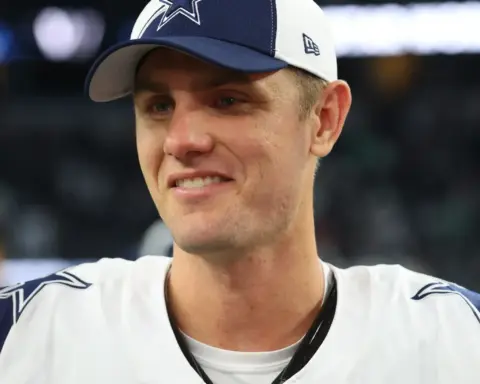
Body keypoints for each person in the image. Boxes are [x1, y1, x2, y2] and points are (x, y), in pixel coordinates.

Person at [0, 0, 479, 382]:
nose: (181, 140)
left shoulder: (455, 340)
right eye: (159, 105)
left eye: (228, 100)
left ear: (324, 120)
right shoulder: (25, 335)